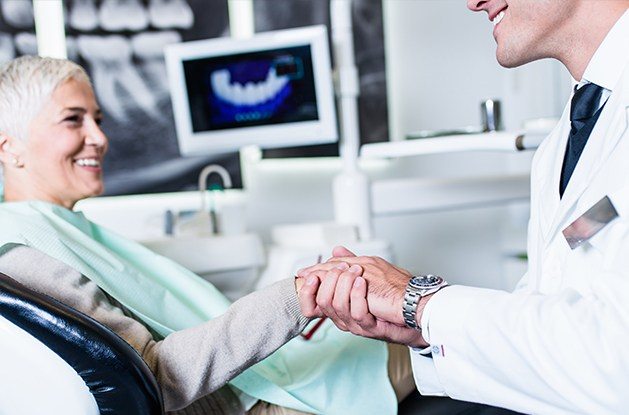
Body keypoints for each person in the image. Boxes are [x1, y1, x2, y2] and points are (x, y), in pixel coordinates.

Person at [0, 55, 413, 415]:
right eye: (74, 119)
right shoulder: (26, 251)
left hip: (242, 387)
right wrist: (300, 294)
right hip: (243, 405)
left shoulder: (46, 229)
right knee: (423, 332)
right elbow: (153, 375)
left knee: (401, 308)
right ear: (9, 148)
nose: (100, 138)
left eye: (98, 120)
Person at [298, 1, 629, 414]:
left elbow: (620, 365)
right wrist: (418, 329)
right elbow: (546, 304)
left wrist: (422, 303)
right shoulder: (567, 137)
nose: (473, 2)